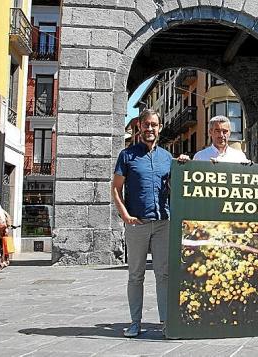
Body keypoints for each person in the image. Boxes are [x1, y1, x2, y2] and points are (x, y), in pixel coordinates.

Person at [112, 109, 173, 338]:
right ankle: (135, 322)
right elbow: (116, 190)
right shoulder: (126, 156)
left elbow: (176, 188)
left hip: (163, 223)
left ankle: (166, 323)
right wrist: (125, 216)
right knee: (136, 275)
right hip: (136, 223)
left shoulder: (167, 158)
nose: (150, 129)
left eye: (154, 125)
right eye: (146, 125)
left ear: (159, 128)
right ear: (139, 127)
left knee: (163, 275)